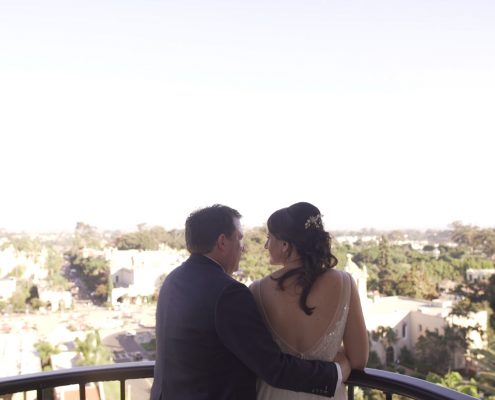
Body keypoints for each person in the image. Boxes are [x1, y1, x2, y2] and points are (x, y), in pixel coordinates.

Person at [150, 204, 350, 400]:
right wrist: (335, 373)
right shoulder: (228, 293)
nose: (243, 247)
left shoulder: (173, 280)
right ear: (222, 242)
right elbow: (273, 368)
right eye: (239, 238)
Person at [250, 202, 368, 400]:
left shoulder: (257, 290)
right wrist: (337, 360)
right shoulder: (345, 283)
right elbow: (358, 360)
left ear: (285, 245)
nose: (266, 245)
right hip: (327, 392)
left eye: (269, 238)